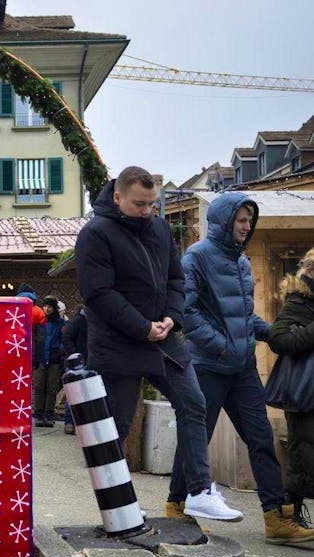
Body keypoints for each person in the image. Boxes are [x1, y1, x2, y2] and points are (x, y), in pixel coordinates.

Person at [75, 165, 243, 522]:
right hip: (118, 344)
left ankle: (198, 492)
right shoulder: (95, 233)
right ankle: (115, 508)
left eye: (152, 204)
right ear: (117, 196)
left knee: (194, 403)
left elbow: (175, 279)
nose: (147, 211)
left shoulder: (159, 228)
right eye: (139, 204)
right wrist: (141, 327)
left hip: (163, 339)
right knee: (116, 428)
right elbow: (97, 293)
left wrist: (171, 317)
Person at [167, 195, 313, 543]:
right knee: (196, 438)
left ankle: (275, 519)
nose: (246, 226)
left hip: (243, 368)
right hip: (208, 366)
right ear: (223, 220)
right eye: (241, 219)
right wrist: (221, 343)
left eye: (250, 220)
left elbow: (243, 316)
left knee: (261, 439)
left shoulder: (242, 261)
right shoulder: (197, 257)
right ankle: (176, 509)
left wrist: (270, 333)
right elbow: (187, 314)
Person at [268, 247, 314, 529]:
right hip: (306, 393)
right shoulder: (300, 300)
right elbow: (279, 339)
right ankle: (288, 514)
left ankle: (289, 514)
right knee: (304, 457)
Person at [33, 297, 66, 428]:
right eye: (45, 306)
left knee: (52, 387)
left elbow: (64, 338)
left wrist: (60, 351)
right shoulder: (39, 320)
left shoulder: (60, 322)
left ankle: (49, 414)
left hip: (54, 357)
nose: (47, 309)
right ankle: (39, 414)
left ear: (54, 308)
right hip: (40, 357)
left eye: (50, 307)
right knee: (39, 385)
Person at [61, 306, 88, 435]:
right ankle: (69, 422)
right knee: (73, 393)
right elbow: (67, 338)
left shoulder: (97, 322)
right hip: (76, 362)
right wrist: (74, 356)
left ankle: (83, 424)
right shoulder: (78, 320)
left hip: (91, 361)